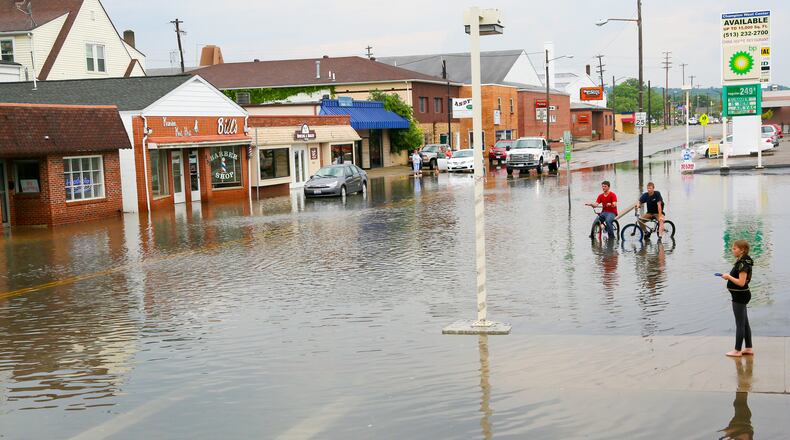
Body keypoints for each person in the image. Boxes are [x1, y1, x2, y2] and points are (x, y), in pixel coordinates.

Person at [720, 240, 754, 357]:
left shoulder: (743, 264)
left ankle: (737, 350)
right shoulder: (743, 260)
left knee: (739, 323)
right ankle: (748, 348)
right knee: (744, 323)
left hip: (740, 296)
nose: (732, 250)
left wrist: (728, 276)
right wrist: (728, 277)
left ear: (742, 250)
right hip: (741, 295)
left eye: (734, 248)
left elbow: (741, 282)